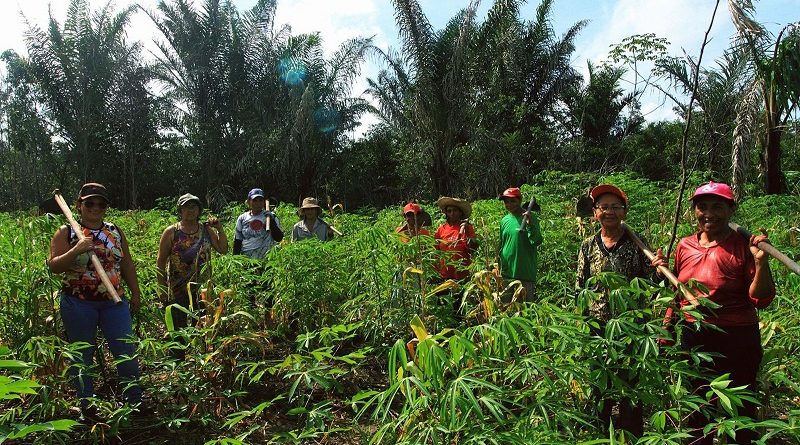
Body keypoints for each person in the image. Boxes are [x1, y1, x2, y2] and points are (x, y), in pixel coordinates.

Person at [653, 181, 775, 445]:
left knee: (740, 408)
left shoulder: (744, 245)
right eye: (702, 207)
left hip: (737, 335)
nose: (709, 213)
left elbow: (760, 299)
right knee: (698, 406)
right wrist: (666, 330)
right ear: (694, 211)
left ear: (731, 210)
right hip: (693, 334)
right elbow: (678, 291)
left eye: (718, 207)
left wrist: (760, 264)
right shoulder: (685, 245)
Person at [47, 183, 143, 418]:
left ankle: (134, 402)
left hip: (115, 301)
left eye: (101, 204)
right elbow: (54, 266)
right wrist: (76, 250)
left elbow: (127, 264)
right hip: (78, 303)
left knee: (125, 350)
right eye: (89, 203)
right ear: (79, 205)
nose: (95, 208)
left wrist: (136, 294)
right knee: (82, 355)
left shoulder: (114, 231)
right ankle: (87, 406)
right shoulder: (66, 231)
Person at [575, 184, 656, 437]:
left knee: (630, 385)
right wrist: (582, 322)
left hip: (630, 327)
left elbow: (653, 282)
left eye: (615, 207)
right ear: (595, 213)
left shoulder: (638, 243)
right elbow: (580, 286)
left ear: (624, 212)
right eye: (603, 207)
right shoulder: (588, 246)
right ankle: (600, 433)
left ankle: (631, 434)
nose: (609, 211)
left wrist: (659, 265)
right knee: (600, 385)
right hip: (597, 327)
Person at [156, 194, 228, 351]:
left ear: (199, 210)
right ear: (180, 210)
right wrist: (161, 289)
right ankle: (178, 360)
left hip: (202, 288)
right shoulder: (171, 232)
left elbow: (223, 249)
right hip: (177, 288)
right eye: (186, 207)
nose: (190, 210)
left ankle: (202, 357)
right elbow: (160, 261)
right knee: (178, 326)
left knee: (203, 324)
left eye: (194, 206)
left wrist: (220, 229)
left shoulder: (206, 230)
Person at [498, 187, 543, 301]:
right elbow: (502, 244)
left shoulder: (530, 217)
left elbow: (537, 240)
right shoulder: (504, 220)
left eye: (512, 201)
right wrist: (497, 264)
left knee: (525, 311)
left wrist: (530, 225)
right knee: (506, 308)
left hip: (524, 272)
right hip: (506, 273)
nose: (509, 204)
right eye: (506, 202)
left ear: (520, 200)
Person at [434, 197, 477, 281]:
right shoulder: (441, 229)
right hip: (444, 274)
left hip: (462, 274)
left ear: (460, 213)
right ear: (446, 213)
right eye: (449, 211)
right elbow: (436, 252)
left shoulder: (467, 227)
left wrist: (466, 230)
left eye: (455, 210)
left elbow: (473, 249)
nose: (452, 213)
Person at [234, 188, 283, 258]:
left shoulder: (270, 217)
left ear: (264, 202)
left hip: (266, 259)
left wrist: (271, 223)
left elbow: (279, 238)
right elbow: (238, 241)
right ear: (248, 202)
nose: (258, 203)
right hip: (247, 259)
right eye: (254, 200)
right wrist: (235, 259)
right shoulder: (242, 218)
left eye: (260, 200)